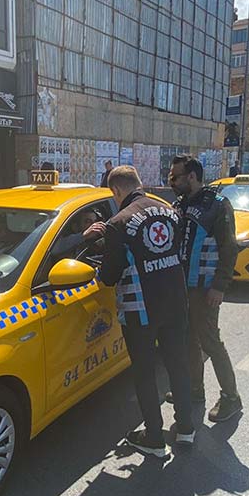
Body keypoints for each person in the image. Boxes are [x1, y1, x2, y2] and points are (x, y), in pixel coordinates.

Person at [96, 165, 196, 457]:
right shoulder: (169, 212)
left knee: (144, 372)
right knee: (178, 364)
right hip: (176, 301)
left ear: (116, 190)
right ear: (139, 183)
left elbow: (109, 276)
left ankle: (153, 437)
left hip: (141, 309)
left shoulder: (118, 222)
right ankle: (186, 428)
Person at [168, 154, 242, 422]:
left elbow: (229, 247)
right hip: (183, 288)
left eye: (175, 176)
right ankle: (195, 390)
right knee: (188, 341)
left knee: (210, 342)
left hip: (205, 288)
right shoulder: (180, 204)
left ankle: (231, 398)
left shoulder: (218, 205)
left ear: (192, 176)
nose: (171, 180)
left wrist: (219, 286)